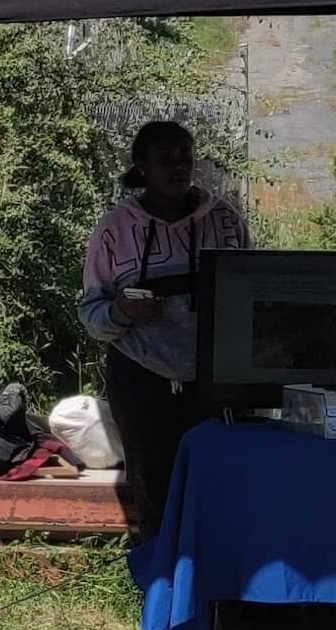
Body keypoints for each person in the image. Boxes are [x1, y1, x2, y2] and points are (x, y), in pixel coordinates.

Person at [79, 119, 250, 540]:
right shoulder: (115, 230)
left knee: (217, 483)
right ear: (141, 166)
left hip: (214, 378)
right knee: (153, 485)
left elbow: (253, 292)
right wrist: (121, 313)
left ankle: (212, 591)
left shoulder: (224, 221)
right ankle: (160, 585)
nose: (178, 167)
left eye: (185, 158)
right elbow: (91, 313)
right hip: (140, 377)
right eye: (165, 159)